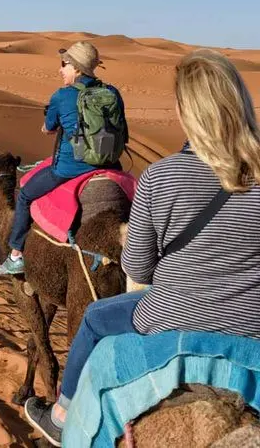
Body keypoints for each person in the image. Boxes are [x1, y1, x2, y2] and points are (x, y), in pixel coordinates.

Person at [24, 49, 260, 447]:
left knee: (95, 318)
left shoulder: (159, 177)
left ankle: (62, 416)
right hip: (252, 323)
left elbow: (138, 267)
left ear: (187, 111)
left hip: (171, 314)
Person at [0, 41, 126, 275]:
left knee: (24, 196)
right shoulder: (112, 93)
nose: (60, 69)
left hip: (69, 168)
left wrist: (49, 127)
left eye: (64, 64)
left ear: (76, 68)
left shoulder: (62, 96)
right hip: (111, 164)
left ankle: (15, 255)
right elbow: (123, 132)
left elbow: (49, 127)